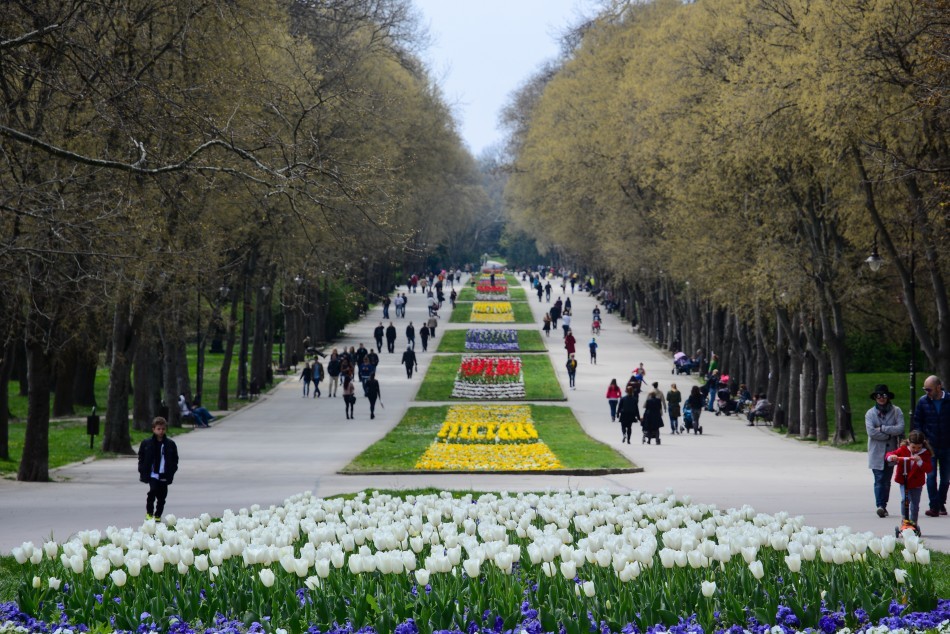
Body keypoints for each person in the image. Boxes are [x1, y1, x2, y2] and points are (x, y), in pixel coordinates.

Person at [913, 375, 950, 517]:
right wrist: (922, 441)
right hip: (930, 446)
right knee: (931, 476)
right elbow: (918, 423)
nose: (926, 392)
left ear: (938, 387)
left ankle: (941, 503)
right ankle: (934, 506)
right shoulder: (923, 402)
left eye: (929, 389)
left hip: (947, 445)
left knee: (945, 478)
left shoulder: (948, 400)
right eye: (925, 389)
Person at [866, 384, 904, 518]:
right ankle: (880, 505)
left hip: (891, 451)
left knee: (887, 480)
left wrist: (882, 428)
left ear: (888, 397)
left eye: (884, 395)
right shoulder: (870, 413)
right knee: (879, 479)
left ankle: (884, 504)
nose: (881, 398)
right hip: (876, 451)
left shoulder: (896, 411)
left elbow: (900, 428)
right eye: (878, 396)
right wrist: (889, 433)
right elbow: (871, 432)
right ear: (875, 398)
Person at [885, 430, 934, 533]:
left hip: (916, 483)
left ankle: (914, 522)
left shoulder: (925, 453)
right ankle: (904, 520)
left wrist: (920, 461)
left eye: (919, 448)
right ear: (909, 443)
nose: (916, 450)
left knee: (915, 504)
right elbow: (890, 454)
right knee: (904, 500)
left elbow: (929, 468)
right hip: (904, 480)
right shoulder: (903, 450)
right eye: (913, 447)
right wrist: (891, 457)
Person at [137, 416, 179, 521]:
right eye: (158, 429)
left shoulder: (170, 444)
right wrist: (142, 468)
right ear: (153, 429)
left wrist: (172, 469)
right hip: (153, 474)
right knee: (153, 491)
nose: (161, 431)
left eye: (163, 429)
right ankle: (149, 513)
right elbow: (141, 457)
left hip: (164, 474)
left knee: (162, 496)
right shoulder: (147, 443)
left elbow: (175, 459)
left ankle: (158, 515)